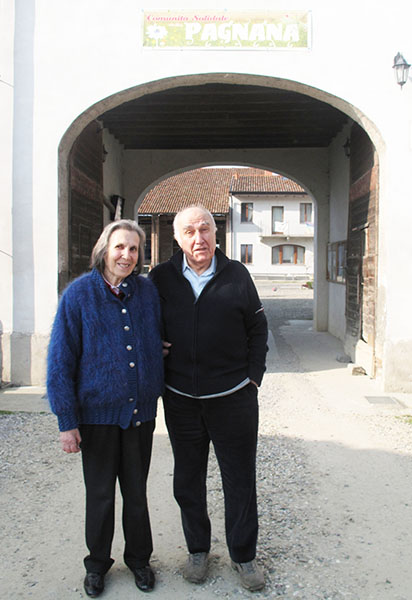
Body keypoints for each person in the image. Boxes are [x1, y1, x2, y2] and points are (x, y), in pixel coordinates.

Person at [149, 205, 268, 592]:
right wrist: (153, 348)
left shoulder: (237, 275)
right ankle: (198, 550)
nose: (198, 238)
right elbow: (142, 324)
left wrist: (253, 378)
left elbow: (258, 327)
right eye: (189, 232)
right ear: (177, 238)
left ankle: (243, 556)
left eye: (205, 229)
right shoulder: (160, 278)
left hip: (234, 397)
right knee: (187, 479)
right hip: (181, 398)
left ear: (216, 234)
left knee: (239, 479)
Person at [47, 219, 164, 597]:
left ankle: (140, 560)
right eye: (119, 247)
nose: (126, 255)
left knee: (136, 493)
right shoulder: (78, 295)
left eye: (133, 249)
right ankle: (96, 565)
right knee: (100, 496)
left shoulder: (147, 292)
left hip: (140, 415)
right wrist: (67, 422)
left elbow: (157, 335)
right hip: (96, 419)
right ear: (104, 250)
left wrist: (158, 353)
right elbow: (60, 361)